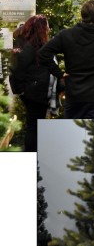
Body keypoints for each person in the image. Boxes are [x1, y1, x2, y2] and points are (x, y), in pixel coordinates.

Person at [38, 0, 94, 118]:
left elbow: (43, 53)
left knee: (72, 134)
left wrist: (59, 73)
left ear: (82, 15)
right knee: (92, 134)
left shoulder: (66, 35)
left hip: (73, 95)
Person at [9, 15, 51, 152]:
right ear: (40, 29)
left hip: (35, 92)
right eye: (46, 26)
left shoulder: (31, 46)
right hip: (35, 94)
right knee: (34, 127)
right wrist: (21, 90)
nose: (49, 29)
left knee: (35, 126)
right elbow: (16, 70)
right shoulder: (30, 48)